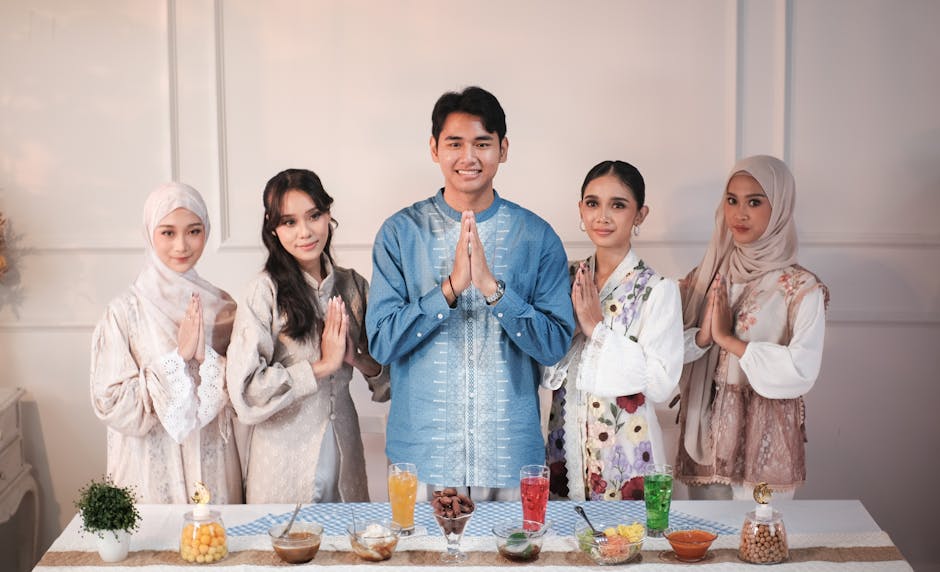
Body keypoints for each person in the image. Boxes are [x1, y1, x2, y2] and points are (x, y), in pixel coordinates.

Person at [366, 86, 575, 499]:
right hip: (423, 456)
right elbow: (382, 343)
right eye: (455, 144)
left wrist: (494, 291)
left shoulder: (537, 236)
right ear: (434, 148)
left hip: (509, 454)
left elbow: (554, 346)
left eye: (482, 143)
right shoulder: (399, 233)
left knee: (512, 562)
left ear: (504, 148)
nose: (469, 157)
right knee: (421, 562)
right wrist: (450, 288)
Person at [226, 168, 389, 503]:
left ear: (328, 215)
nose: (305, 232)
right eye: (289, 222)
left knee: (349, 549)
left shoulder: (353, 286)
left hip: (345, 456)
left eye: (314, 215)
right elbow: (245, 393)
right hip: (282, 465)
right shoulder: (263, 292)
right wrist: (321, 367)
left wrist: (356, 359)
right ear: (273, 228)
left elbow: (390, 382)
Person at [675, 155, 829, 500]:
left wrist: (729, 340)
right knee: (706, 545)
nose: (739, 213)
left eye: (755, 202)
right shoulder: (704, 280)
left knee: (760, 543)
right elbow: (668, 354)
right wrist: (703, 337)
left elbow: (801, 370)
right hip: (705, 435)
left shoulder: (800, 288)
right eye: (732, 200)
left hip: (763, 438)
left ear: (780, 208)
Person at [90, 182, 242, 504]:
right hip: (149, 473)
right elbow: (112, 404)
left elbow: (241, 391)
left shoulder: (224, 308)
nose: (182, 245)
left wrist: (208, 361)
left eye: (194, 231)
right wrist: (177, 359)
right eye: (168, 233)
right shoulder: (124, 313)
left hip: (214, 468)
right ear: (150, 233)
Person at [541, 160, 683, 501]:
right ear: (580, 209)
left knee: (627, 546)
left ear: (640, 214)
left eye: (617, 205)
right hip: (565, 441)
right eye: (593, 203)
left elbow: (661, 383)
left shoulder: (657, 290)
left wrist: (597, 329)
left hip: (628, 450)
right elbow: (544, 369)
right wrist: (570, 330)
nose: (602, 216)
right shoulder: (563, 278)